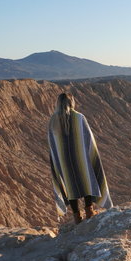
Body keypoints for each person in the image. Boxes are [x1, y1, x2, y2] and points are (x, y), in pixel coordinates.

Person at [48, 92, 112, 224]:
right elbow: (88, 139)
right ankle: (89, 211)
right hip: (81, 158)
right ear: (71, 103)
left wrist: (58, 162)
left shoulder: (53, 120)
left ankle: (77, 216)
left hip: (64, 161)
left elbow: (53, 145)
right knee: (87, 179)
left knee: (69, 185)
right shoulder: (79, 117)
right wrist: (89, 155)